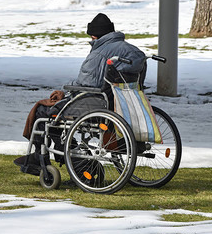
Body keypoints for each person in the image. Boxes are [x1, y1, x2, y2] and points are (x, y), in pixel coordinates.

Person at [15, 13, 147, 173]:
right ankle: (68, 158)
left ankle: (50, 158)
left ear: (94, 35)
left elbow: (85, 84)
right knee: (53, 114)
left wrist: (65, 89)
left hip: (94, 104)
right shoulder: (133, 51)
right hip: (122, 105)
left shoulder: (98, 54)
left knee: (43, 113)